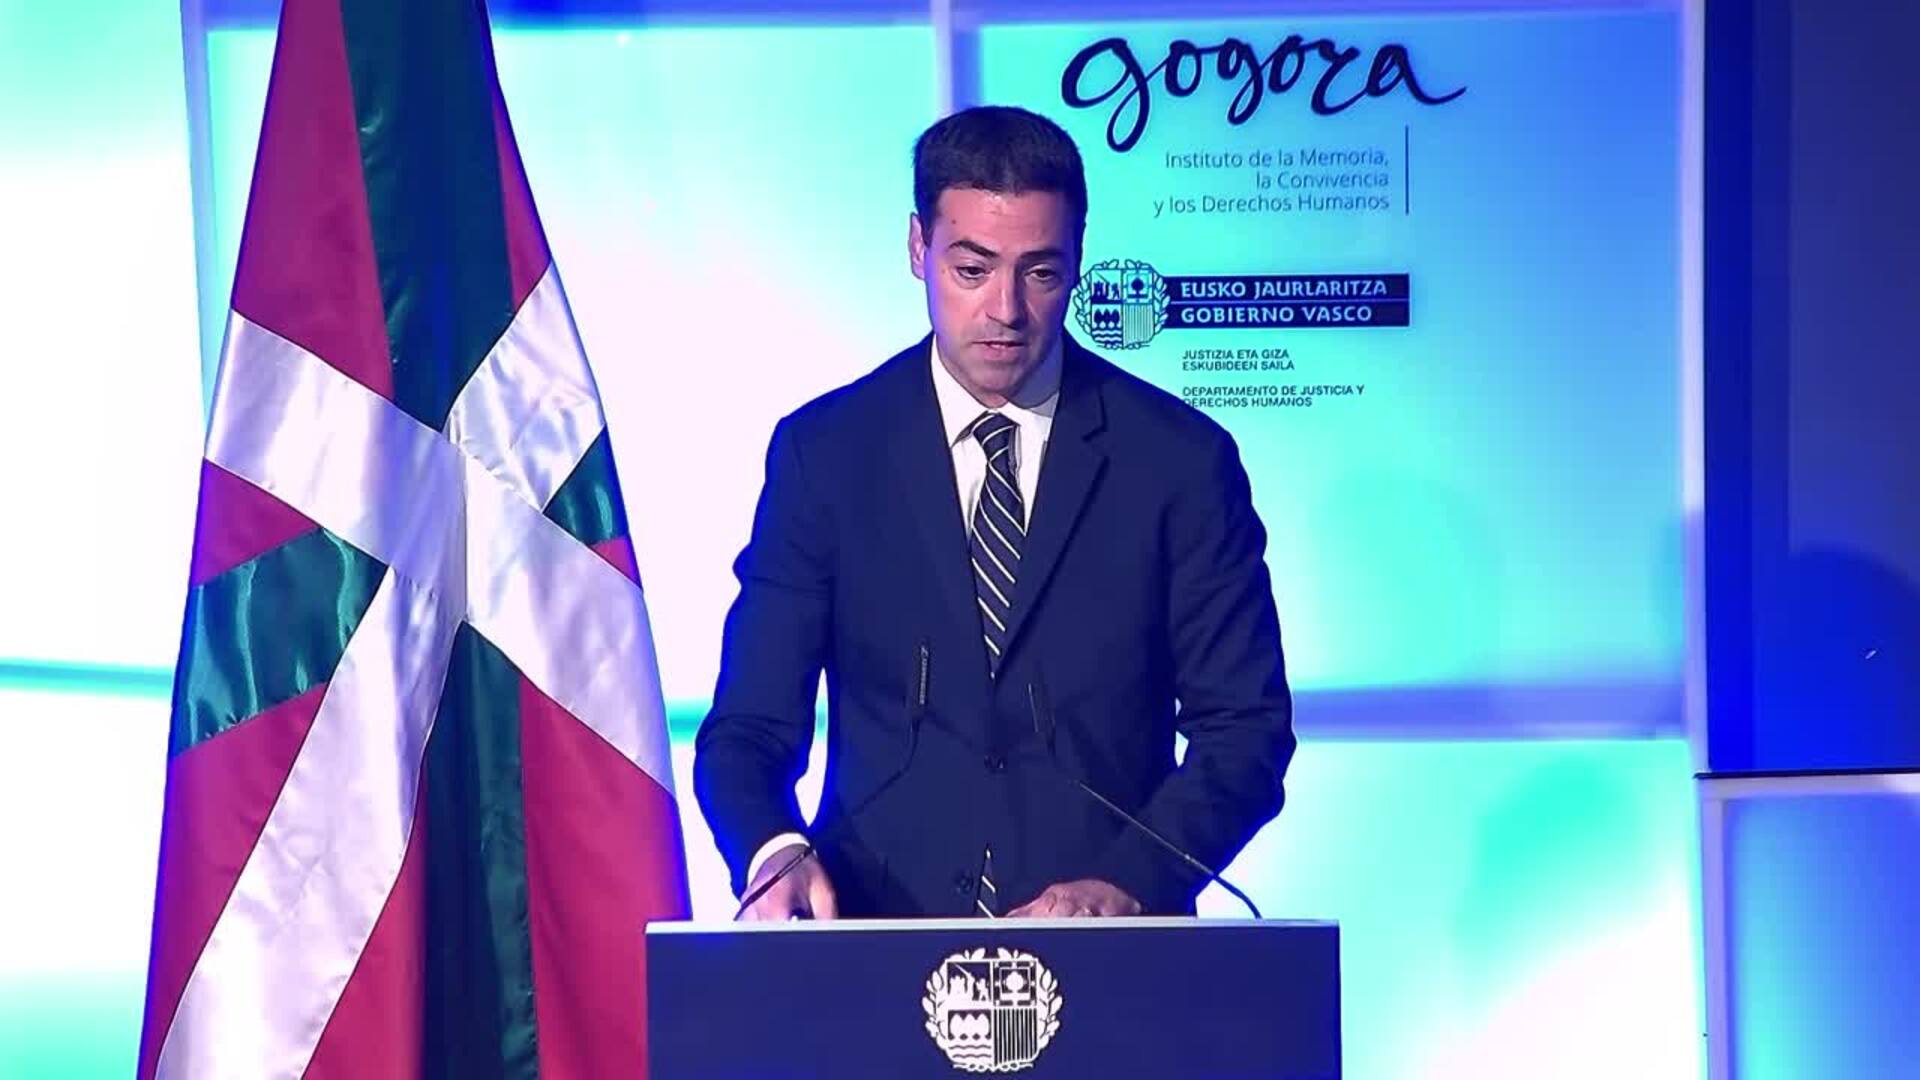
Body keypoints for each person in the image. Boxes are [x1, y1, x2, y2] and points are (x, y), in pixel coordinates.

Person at [694, 105, 1294, 920]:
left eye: (1040, 273)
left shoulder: (1179, 463)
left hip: (1109, 954)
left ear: (1079, 259)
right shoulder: (825, 454)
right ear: (918, 248)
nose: (1006, 310)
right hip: (877, 938)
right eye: (972, 269)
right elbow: (748, 729)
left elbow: (1246, 732)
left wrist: (1130, 884)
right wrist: (773, 849)